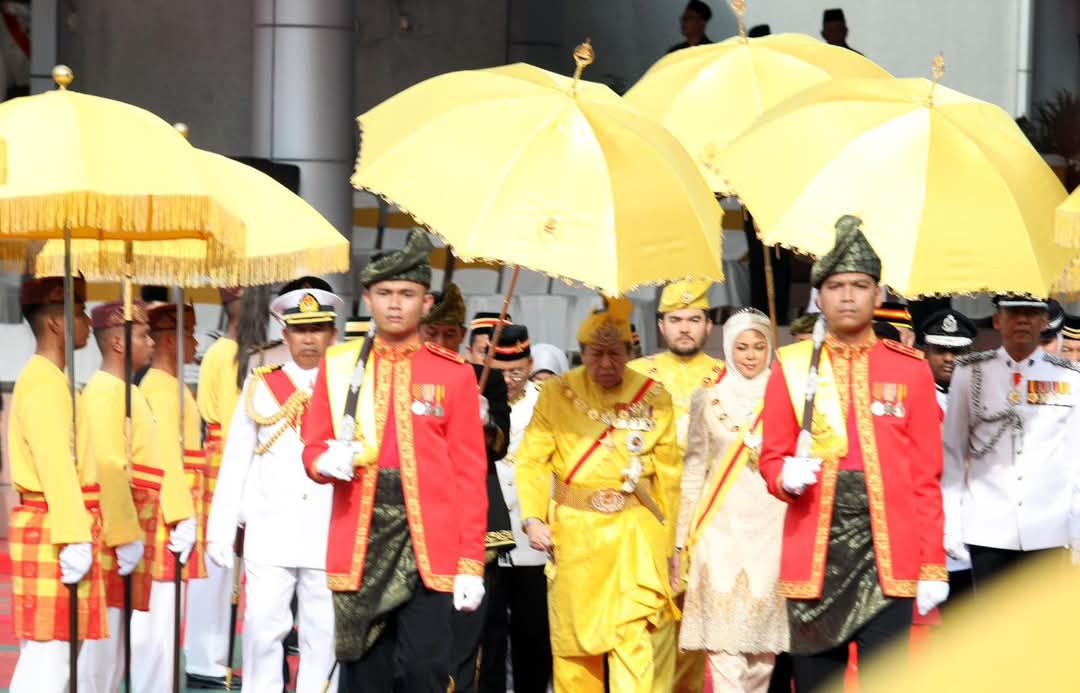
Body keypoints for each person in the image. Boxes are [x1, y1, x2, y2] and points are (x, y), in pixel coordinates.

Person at [758, 216, 947, 691]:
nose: (847, 296)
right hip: (816, 556)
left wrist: (932, 563)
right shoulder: (792, 366)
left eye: (859, 285)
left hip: (892, 556)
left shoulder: (910, 371)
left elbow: (927, 476)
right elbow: (771, 456)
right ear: (819, 296)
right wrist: (786, 475)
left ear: (877, 295)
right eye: (836, 286)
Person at [300, 230, 489, 692]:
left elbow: (470, 474)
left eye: (407, 294)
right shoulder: (341, 364)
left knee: (424, 669)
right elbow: (311, 449)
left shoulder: (454, 374)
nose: (395, 304)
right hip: (361, 539)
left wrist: (470, 562)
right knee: (364, 674)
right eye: (384, 293)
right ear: (367, 298)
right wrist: (327, 460)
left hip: (431, 543)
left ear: (426, 303)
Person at [516, 297, 679, 692]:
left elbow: (670, 476)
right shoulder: (555, 393)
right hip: (575, 537)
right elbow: (533, 461)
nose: (606, 364)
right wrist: (534, 518)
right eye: (596, 354)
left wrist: (673, 547)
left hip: (634, 537)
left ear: (631, 352)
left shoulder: (654, 396)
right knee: (575, 651)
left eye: (615, 354)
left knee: (634, 642)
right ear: (581, 353)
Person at [207, 277, 343, 693]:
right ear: (284, 332)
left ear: (332, 333)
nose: (308, 339)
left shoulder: (348, 386)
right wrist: (221, 528)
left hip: (328, 528)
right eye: (299, 329)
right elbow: (236, 460)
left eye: (316, 329)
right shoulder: (261, 383)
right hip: (271, 528)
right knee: (263, 633)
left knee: (322, 638)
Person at [77, 300, 196, 692]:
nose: (152, 341)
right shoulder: (105, 394)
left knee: (122, 645)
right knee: (106, 647)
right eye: (144, 334)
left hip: (141, 518)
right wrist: (124, 534)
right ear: (117, 343)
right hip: (121, 527)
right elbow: (110, 467)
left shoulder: (125, 391)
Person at [675, 308, 788, 691]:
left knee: (762, 656)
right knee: (723, 652)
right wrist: (681, 538)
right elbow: (693, 470)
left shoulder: (786, 397)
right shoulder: (707, 398)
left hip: (773, 528)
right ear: (728, 347)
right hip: (718, 530)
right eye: (742, 347)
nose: (751, 356)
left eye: (759, 346)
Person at [8, 276, 105, 693]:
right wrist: (75, 535)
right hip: (56, 527)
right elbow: (55, 465)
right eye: (79, 313)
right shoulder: (46, 384)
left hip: (59, 524)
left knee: (56, 656)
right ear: (55, 323)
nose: (86, 323)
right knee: (50, 659)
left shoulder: (52, 380)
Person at [942, 295, 1080, 591]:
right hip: (988, 525)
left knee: (1041, 629)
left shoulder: (1068, 377)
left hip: (1048, 527)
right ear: (997, 320)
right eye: (1014, 312)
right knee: (992, 629)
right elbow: (952, 452)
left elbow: (1075, 459)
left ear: (1044, 322)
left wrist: (1077, 526)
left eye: (1031, 313)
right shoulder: (970, 372)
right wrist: (951, 523)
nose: (1022, 320)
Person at [629, 279, 723, 693]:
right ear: (661, 326)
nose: (685, 327)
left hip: (708, 520)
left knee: (696, 628)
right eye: (676, 319)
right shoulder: (635, 376)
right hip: (650, 518)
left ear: (708, 326)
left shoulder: (728, 377)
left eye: (694, 319)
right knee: (649, 624)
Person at [420, 282, 514, 693]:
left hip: (471, 519)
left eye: (450, 334)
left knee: (470, 636)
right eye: (433, 333)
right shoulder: (400, 374)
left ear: (461, 336)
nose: (441, 341)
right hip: (416, 517)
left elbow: (500, 445)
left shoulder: (480, 377)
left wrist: (485, 422)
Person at [131, 302, 207, 692]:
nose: (194, 340)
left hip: (174, 513)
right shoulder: (160, 389)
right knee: (157, 628)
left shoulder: (172, 385)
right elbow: (167, 459)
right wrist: (182, 515)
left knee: (167, 626)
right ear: (167, 340)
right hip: (165, 518)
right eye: (188, 332)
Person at [481, 323, 553, 693]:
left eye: (518, 372)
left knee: (533, 637)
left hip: (534, 542)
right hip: (489, 537)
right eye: (501, 372)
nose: (509, 380)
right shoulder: (478, 400)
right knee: (489, 638)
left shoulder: (548, 402)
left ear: (531, 364)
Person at [188, 286, 245, 689]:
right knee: (216, 562)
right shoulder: (227, 354)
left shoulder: (238, 351)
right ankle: (206, 656)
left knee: (227, 566)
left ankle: (214, 653)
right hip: (226, 456)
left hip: (232, 454)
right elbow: (232, 419)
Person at [918, 308, 978, 607]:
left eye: (958, 351)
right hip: (926, 532)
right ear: (925, 350)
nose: (949, 359)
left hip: (975, 531)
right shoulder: (911, 398)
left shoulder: (988, 398)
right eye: (941, 350)